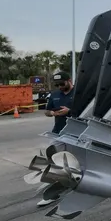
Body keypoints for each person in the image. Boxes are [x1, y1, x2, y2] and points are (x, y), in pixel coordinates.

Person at [37, 71, 75, 207]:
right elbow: (47, 111)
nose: (59, 86)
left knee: (76, 161)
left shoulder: (80, 93)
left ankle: (76, 184)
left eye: (62, 83)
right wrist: (52, 112)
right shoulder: (54, 95)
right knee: (55, 162)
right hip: (58, 133)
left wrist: (69, 111)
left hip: (77, 134)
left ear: (69, 80)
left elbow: (88, 111)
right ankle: (53, 194)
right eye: (57, 84)